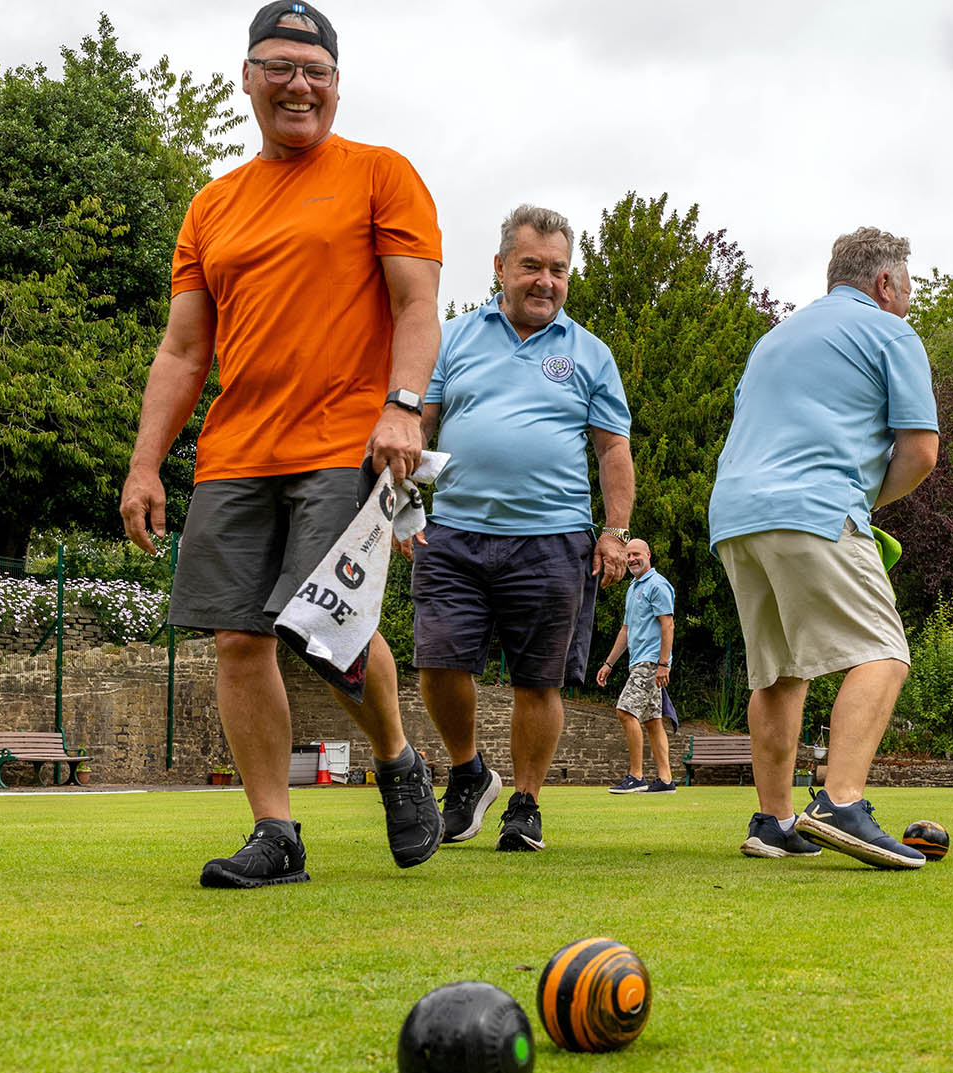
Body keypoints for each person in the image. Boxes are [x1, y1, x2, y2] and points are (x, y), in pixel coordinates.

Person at [119, 1, 444, 889]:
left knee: (327, 632)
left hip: (346, 439)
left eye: (317, 70)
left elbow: (418, 306)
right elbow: (185, 350)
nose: (299, 83)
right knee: (236, 639)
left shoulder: (382, 175)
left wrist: (404, 407)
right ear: (249, 79)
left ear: (337, 85)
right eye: (280, 66)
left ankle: (399, 758)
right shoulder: (212, 207)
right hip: (235, 452)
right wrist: (147, 463)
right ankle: (277, 834)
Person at [707, 227, 939, 867]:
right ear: (886, 284)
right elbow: (920, 453)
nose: (910, 298)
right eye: (909, 286)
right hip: (813, 506)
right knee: (883, 653)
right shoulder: (891, 331)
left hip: (734, 515)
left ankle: (774, 821)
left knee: (780, 672)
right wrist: (860, 503)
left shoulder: (775, 338)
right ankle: (839, 801)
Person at [413, 205, 634, 851]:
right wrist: (397, 507)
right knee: (438, 661)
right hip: (452, 532)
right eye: (532, 266)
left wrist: (613, 533)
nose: (545, 281)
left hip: (554, 539)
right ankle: (466, 773)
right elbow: (417, 428)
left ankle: (526, 805)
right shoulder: (451, 338)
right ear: (500, 267)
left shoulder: (590, 353)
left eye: (558, 270)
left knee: (537, 680)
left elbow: (613, 452)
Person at [596, 539, 677, 794]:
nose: (631, 559)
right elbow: (626, 630)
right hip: (637, 662)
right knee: (653, 721)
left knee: (625, 711)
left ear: (648, 555)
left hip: (651, 662)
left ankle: (636, 776)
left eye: (636, 554)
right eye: (628, 555)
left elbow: (668, 625)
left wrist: (664, 664)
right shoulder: (632, 588)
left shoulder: (657, 585)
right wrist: (609, 663)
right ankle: (665, 780)